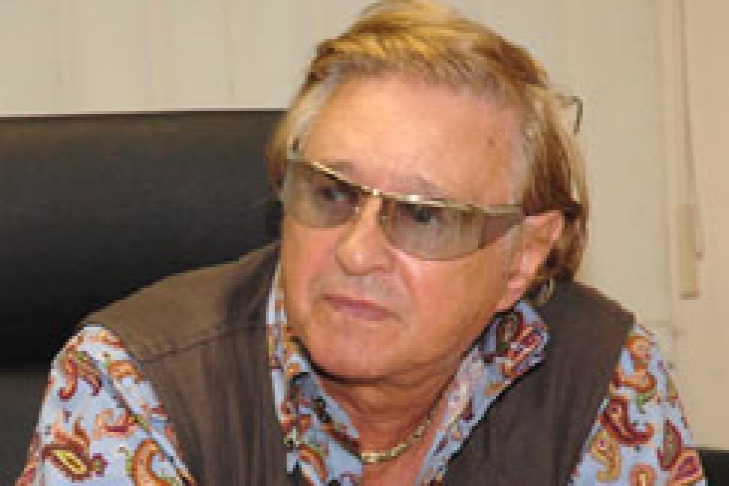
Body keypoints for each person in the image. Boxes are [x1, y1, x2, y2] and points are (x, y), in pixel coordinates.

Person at [17, 1, 705, 484]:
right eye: (332, 193)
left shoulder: (602, 375)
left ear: (521, 257)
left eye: (424, 215)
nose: (356, 253)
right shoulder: (132, 382)